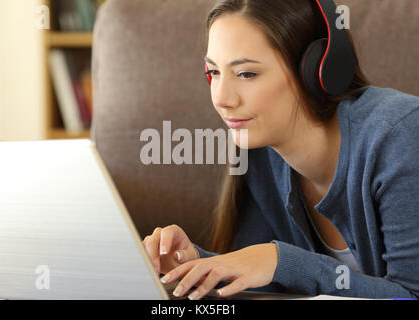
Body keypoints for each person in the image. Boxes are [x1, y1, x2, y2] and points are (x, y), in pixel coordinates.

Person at [142, 0, 419, 300]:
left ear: (317, 70)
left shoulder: (400, 135)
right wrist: (195, 265)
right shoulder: (260, 151)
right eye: (214, 72)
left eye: (246, 74)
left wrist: (280, 261)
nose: (222, 99)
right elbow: (263, 283)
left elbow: (408, 295)